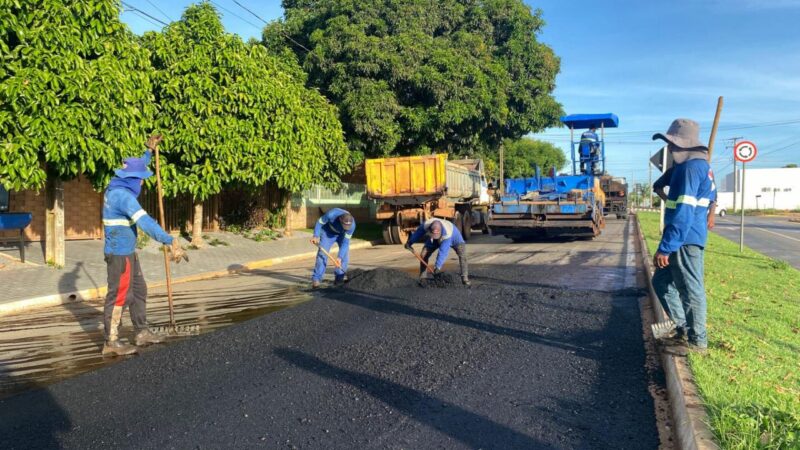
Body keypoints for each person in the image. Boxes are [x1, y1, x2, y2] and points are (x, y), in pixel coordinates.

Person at [101, 135, 187, 356]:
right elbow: (146, 222)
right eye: (139, 179)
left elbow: (138, 165)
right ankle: (111, 341)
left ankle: (142, 332)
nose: (142, 182)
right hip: (119, 255)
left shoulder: (119, 185)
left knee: (139, 291)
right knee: (120, 296)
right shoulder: (123, 197)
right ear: (131, 179)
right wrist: (169, 240)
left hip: (128, 252)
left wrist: (148, 151)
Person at [650, 119, 717, 354]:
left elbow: (684, 212)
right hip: (682, 235)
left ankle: (698, 342)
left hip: (685, 238)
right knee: (660, 281)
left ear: (684, 145)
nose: (669, 148)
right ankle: (682, 328)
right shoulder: (692, 167)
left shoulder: (690, 169)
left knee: (690, 288)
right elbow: (712, 194)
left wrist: (666, 247)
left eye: (672, 144)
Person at [405, 218, 470, 286]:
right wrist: (410, 242)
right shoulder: (427, 224)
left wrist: (437, 267)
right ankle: (423, 277)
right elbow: (418, 233)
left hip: (455, 239)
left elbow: (443, 252)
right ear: (430, 229)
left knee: (463, 255)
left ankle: (464, 278)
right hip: (435, 239)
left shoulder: (447, 233)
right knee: (424, 254)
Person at [311, 208, 355, 288]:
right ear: (339, 220)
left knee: (344, 256)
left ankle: (339, 279)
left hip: (342, 235)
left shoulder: (352, 226)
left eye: (347, 227)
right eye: (344, 225)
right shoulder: (331, 214)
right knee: (322, 255)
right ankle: (316, 279)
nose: (346, 227)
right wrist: (316, 235)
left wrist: (339, 258)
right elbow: (319, 222)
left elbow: (345, 243)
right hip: (328, 233)